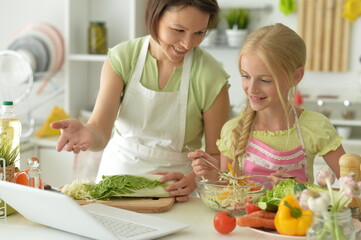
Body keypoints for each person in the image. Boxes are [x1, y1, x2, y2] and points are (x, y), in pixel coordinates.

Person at [50, 0, 230, 202]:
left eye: (199, 33)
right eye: (178, 30)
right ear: (154, 17)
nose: (188, 43)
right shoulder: (123, 58)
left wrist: (194, 179)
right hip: (117, 182)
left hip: (176, 191)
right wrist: (87, 133)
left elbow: (217, 157)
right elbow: (100, 130)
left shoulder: (211, 76)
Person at [189, 23, 345, 185]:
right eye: (245, 76)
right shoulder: (233, 131)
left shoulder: (315, 127)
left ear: (296, 76)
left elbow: (354, 187)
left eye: (265, 80)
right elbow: (227, 192)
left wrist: (302, 189)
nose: (252, 89)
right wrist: (211, 174)